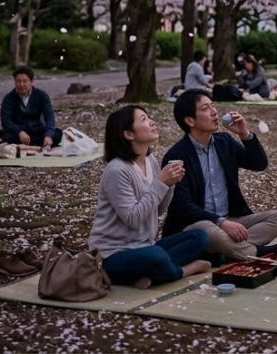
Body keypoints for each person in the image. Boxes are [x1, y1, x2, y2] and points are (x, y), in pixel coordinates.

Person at [88, 105, 211, 289]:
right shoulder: (117, 170)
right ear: (128, 134)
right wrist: (161, 182)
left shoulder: (150, 160)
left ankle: (146, 274)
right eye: (144, 119)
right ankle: (183, 271)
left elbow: (157, 210)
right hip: (112, 254)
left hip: (144, 245)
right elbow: (133, 219)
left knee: (200, 237)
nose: (152, 122)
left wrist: (170, 185)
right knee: (156, 256)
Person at [161, 90, 277, 262]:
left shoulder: (224, 142)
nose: (214, 111)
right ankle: (256, 251)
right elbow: (182, 206)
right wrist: (220, 222)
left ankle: (224, 251)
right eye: (206, 108)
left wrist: (245, 134)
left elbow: (259, 164)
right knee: (207, 231)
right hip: (197, 224)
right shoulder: (177, 155)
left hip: (231, 219)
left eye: (213, 105)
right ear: (190, 120)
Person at [0, 66, 61, 149]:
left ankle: (38, 143)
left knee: (57, 134)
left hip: (37, 130)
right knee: (5, 136)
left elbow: (49, 117)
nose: (21, 84)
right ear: (14, 82)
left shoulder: (42, 95)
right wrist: (19, 132)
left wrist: (48, 135)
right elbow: (5, 121)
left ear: (31, 81)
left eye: (25, 81)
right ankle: (36, 145)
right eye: (18, 81)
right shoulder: (8, 98)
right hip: (17, 133)